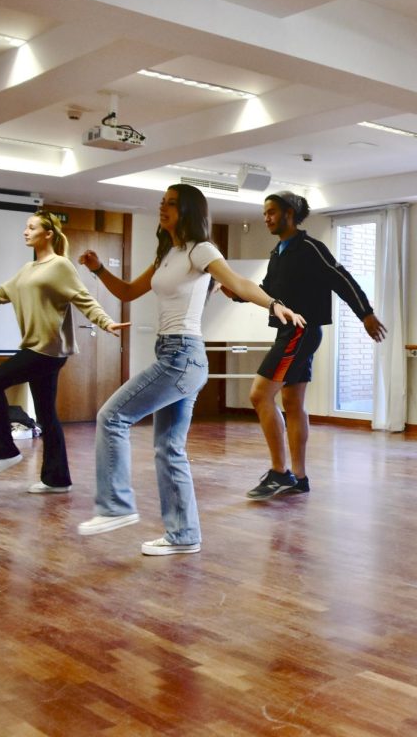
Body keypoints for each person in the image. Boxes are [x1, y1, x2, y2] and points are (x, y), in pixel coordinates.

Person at [75, 184, 304, 556]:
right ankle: (183, 535)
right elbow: (129, 293)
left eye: (171, 204)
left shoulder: (201, 250)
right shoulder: (169, 252)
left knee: (111, 417)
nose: (162, 208)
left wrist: (273, 303)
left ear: (189, 211)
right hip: (171, 353)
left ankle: (115, 506)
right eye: (162, 203)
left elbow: (239, 282)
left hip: (182, 356)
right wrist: (99, 269)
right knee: (169, 447)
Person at [0, 211, 126, 493]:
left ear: (48, 234)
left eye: (31, 227)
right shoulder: (28, 269)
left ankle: (4, 452)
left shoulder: (60, 266)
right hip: (38, 348)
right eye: (26, 227)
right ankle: (57, 479)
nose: (25, 231)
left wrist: (106, 322)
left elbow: (84, 299)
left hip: (47, 349)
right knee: (47, 414)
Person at [236, 190, 385, 502]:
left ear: (290, 214)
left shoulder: (310, 249)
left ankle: (280, 473)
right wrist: (238, 293)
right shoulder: (279, 252)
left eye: (272, 212)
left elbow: (341, 279)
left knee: (260, 395)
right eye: (265, 213)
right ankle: (298, 478)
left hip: (300, 332)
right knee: (291, 402)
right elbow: (269, 291)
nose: (266, 218)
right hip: (287, 332)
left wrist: (366, 314)